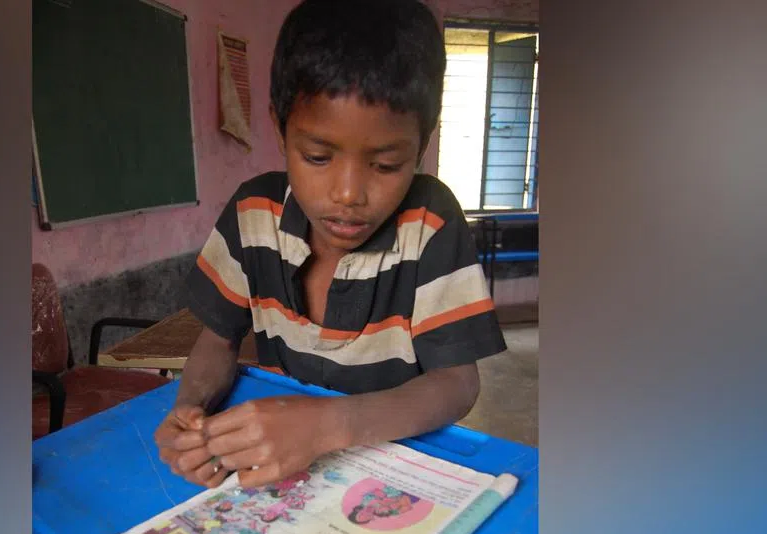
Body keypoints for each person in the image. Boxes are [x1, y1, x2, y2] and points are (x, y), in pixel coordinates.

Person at [156, 0, 506, 489]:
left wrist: (325, 425)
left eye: (385, 165)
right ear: (280, 130)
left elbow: (457, 383)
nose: (348, 194)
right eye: (318, 156)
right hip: (288, 475)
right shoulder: (252, 215)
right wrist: (189, 411)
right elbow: (218, 340)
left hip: (392, 471)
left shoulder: (430, 222)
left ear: (421, 144)